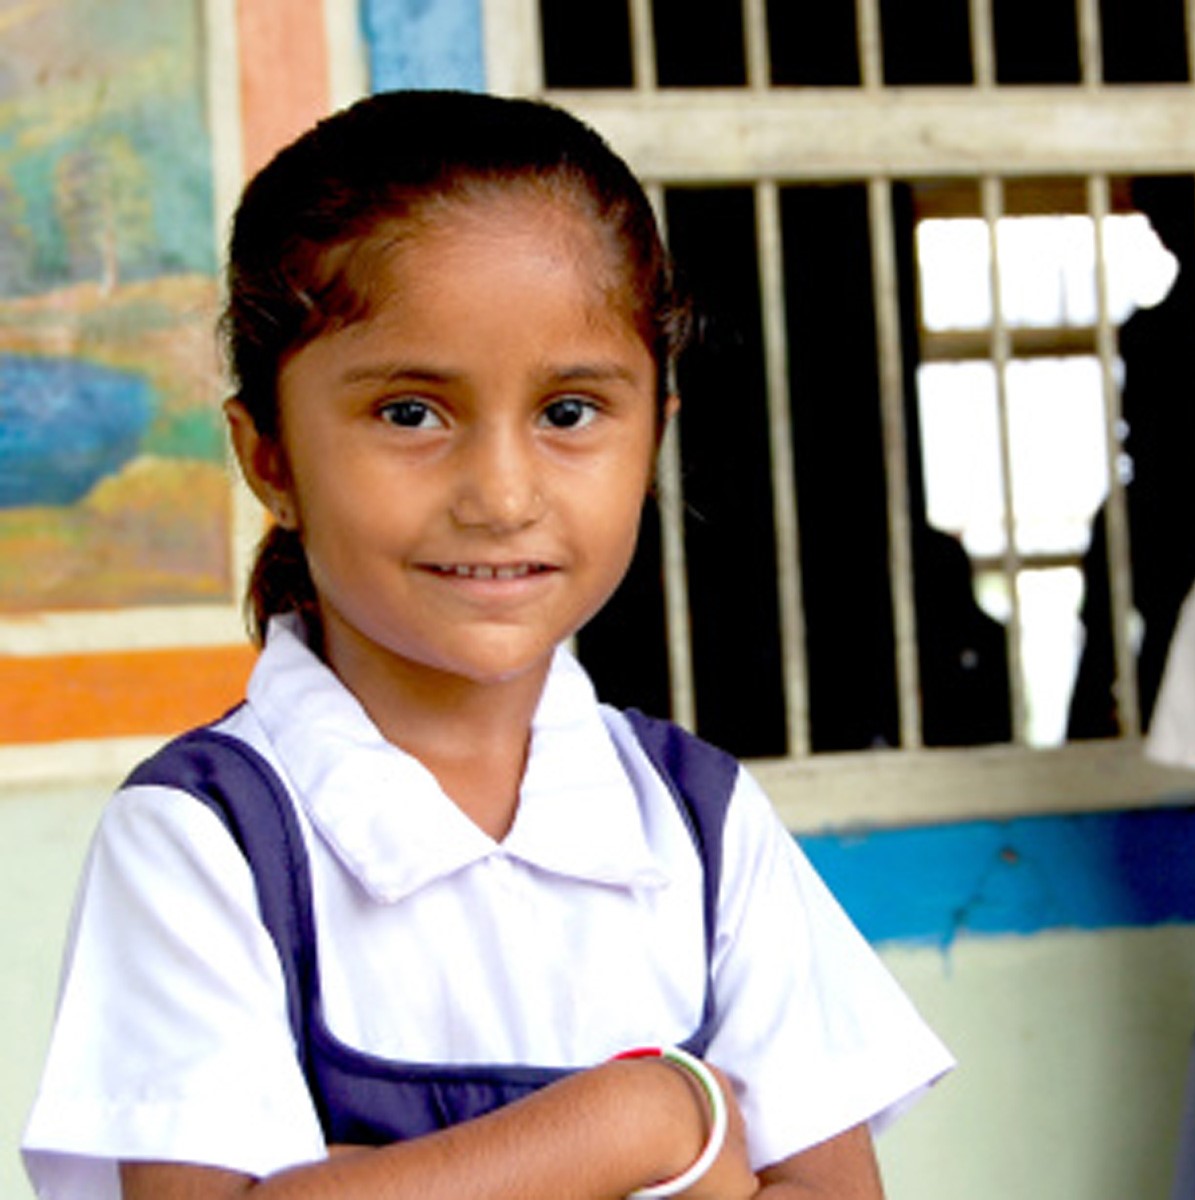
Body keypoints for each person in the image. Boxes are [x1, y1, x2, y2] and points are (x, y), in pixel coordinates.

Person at [22, 90, 953, 1199]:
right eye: (411, 412)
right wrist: (653, 1121)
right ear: (267, 455)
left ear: (656, 424)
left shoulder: (700, 827)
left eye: (569, 412)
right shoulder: (206, 841)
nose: (503, 496)